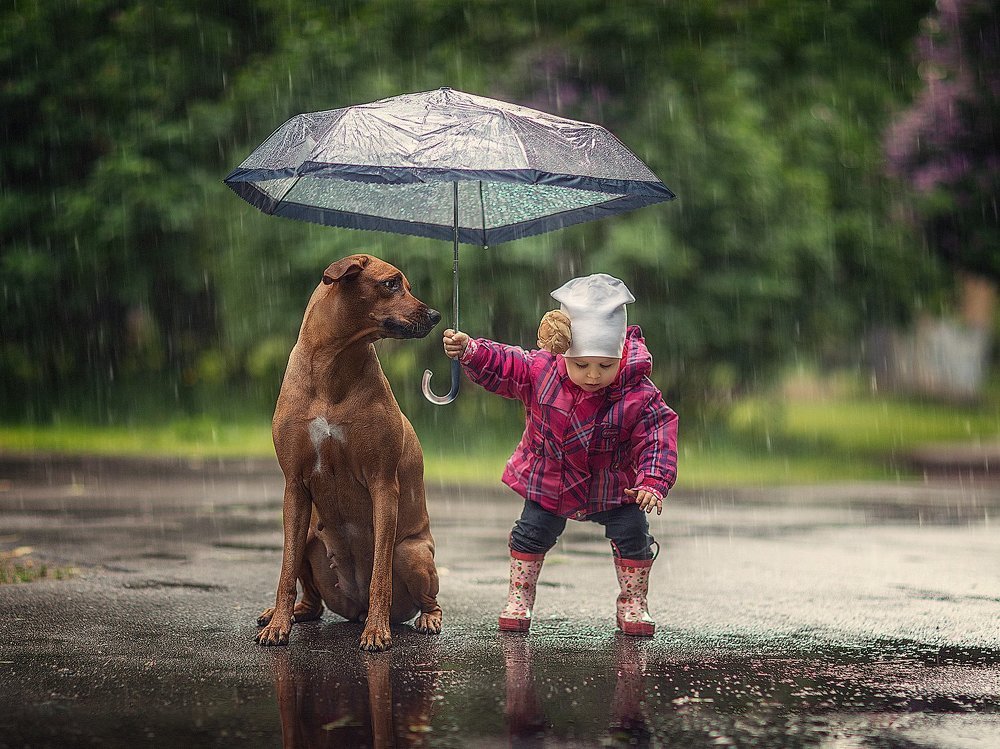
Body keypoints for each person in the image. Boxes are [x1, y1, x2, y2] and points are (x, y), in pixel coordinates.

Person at [442, 273, 678, 636]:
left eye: (605, 365)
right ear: (565, 352)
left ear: (621, 356)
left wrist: (652, 480)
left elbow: (658, 435)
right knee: (530, 533)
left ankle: (633, 602)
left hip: (614, 485)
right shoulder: (541, 370)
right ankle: (520, 595)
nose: (593, 375)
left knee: (633, 533)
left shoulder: (639, 392)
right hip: (550, 478)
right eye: (581, 364)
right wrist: (472, 351)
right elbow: (506, 363)